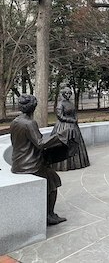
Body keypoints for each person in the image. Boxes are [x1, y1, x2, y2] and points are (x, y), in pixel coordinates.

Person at [10, 94, 70, 226]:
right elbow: (40, 143)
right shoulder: (30, 123)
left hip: (17, 164)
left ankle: (48, 213)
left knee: (50, 177)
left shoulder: (15, 122)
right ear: (33, 108)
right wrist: (59, 137)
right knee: (54, 181)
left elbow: (15, 143)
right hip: (30, 166)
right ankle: (49, 215)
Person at [51, 87, 90, 171]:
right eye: (66, 93)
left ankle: (77, 162)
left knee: (75, 143)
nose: (68, 95)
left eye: (69, 93)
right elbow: (60, 116)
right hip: (63, 127)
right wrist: (70, 120)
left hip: (73, 126)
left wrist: (76, 119)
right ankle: (62, 164)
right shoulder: (60, 104)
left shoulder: (70, 103)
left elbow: (74, 112)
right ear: (63, 94)